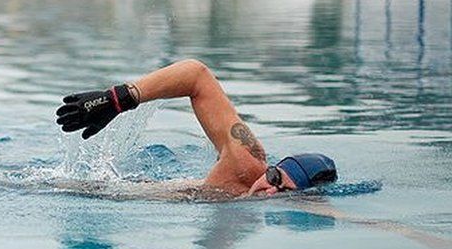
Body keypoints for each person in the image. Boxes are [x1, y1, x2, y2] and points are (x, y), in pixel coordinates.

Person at [55, 59, 337, 197]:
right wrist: (119, 99)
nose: (270, 189)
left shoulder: (288, 205)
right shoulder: (247, 161)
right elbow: (196, 75)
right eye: (274, 177)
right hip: (114, 191)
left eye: (284, 190)